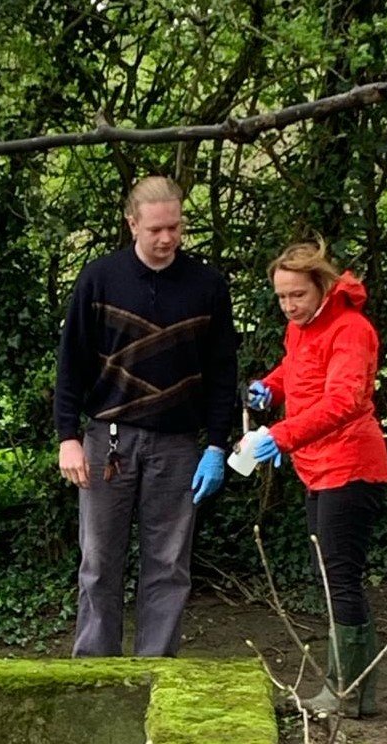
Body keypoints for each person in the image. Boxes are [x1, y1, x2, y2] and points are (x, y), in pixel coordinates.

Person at [54, 176, 238, 657]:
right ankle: (96, 671)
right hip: (107, 440)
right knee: (98, 560)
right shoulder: (99, 279)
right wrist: (67, 436)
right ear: (132, 223)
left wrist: (217, 444)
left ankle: (156, 670)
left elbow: (223, 371)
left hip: (178, 445)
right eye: (156, 228)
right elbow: (71, 361)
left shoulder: (208, 287)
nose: (167, 238)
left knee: (170, 563)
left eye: (175, 227)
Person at [246, 238, 387, 716]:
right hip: (318, 466)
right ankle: (351, 691)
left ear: (322, 287)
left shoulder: (351, 329)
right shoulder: (302, 329)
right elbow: (296, 370)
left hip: (350, 464)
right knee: (331, 575)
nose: (289, 306)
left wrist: (281, 435)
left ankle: (346, 693)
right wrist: (269, 386)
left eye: (298, 296)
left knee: (340, 577)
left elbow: (343, 401)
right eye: (282, 297)